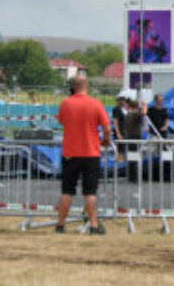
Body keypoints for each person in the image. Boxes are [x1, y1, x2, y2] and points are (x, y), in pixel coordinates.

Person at [56, 75, 111, 234]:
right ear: (87, 87)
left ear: (74, 87)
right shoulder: (95, 104)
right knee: (90, 191)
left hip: (70, 153)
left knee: (67, 190)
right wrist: (105, 140)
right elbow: (107, 128)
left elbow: (61, 121)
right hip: (90, 153)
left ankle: (60, 224)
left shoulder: (66, 103)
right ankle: (94, 225)